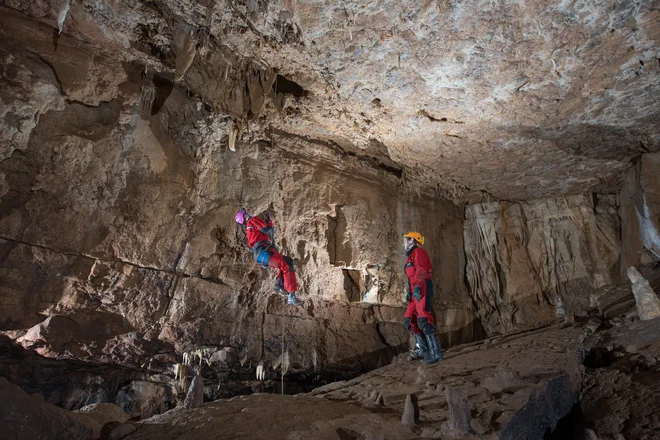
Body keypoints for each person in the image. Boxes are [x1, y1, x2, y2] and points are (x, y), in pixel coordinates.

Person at [235, 208, 303, 306]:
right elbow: (267, 229)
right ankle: (291, 296)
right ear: (245, 216)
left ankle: (278, 284)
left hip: (264, 252)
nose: (251, 212)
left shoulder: (251, 226)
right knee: (286, 265)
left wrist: (269, 222)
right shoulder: (251, 221)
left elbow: (268, 232)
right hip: (263, 252)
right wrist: (269, 220)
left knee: (288, 261)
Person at [402, 231, 442, 363]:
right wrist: (409, 291)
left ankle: (436, 353)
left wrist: (418, 286)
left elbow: (421, 270)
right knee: (409, 319)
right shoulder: (410, 256)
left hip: (423, 286)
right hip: (415, 289)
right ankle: (423, 349)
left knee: (424, 318)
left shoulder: (418, 252)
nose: (403, 243)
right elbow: (410, 276)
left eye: (405, 240)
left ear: (411, 241)